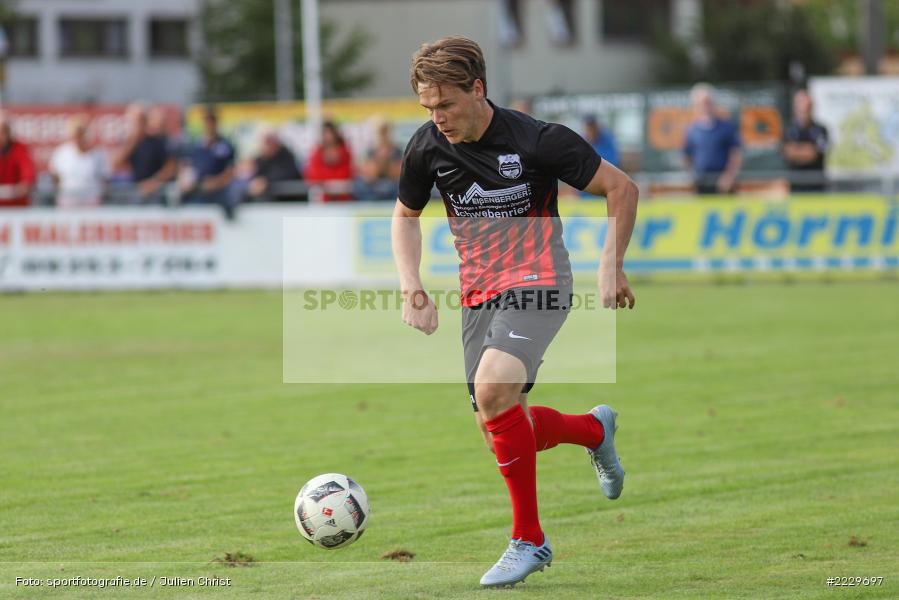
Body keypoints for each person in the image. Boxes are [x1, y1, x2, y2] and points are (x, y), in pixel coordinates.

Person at [392, 36, 638, 588]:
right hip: (479, 293)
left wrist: (611, 265)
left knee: (494, 388)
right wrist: (412, 287)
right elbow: (405, 215)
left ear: (477, 89)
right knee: (498, 424)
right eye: (427, 108)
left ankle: (529, 539)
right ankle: (592, 431)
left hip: (541, 280)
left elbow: (620, 188)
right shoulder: (427, 147)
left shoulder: (537, 140)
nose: (438, 119)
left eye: (446, 105)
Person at [683, 83, 742, 195]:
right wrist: (693, 177)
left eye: (708, 102)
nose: (706, 106)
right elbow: (686, 156)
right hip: (702, 185)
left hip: (724, 185)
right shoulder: (691, 130)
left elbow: (736, 154)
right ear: (696, 105)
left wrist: (729, 176)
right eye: (702, 103)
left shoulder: (726, 127)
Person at [112, 103, 177, 203]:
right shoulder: (131, 143)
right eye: (135, 121)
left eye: (140, 120)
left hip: (156, 191)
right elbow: (116, 164)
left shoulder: (157, 142)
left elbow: (171, 167)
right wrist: (132, 141)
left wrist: (154, 182)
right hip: (136, 191)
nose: (138, 124)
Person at [178, 106, 236, 217]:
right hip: (197, 188)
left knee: (229, 207)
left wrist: (215, 183)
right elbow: (185, 166)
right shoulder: (194, 145)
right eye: (206, 121)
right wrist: (185, 181)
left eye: (211, 121)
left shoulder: (226, 145)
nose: (209, 124)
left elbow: (230, 171)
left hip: (219, 189)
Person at [49, 116, 109, 208]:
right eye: (75, 134)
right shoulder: (61, 152)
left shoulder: (98, 153)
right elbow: (55, 176)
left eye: (81, 133)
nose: (78, 137)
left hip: (91, 199)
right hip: (68, 199)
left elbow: (104, 177)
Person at [783, 89, 829, 193]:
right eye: (799, 105)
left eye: (806, 106)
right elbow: (788, 153)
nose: (803, 109)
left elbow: (813, 154)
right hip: (796, 187)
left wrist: (797, 150)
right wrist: (806, 149)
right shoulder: (788, 129)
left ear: (811, 107)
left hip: (816, 188)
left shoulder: (821, 129)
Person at [246, 130, 304, 202]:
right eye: (265, 142)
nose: (266, 146)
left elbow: (287, 174)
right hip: (272, 201)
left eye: (269, 142)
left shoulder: (287, 156)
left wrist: (266, 181)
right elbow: (256, 178)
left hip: (289, 200)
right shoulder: (261, 160)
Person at [304, 121, 354, 201]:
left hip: (344, 200)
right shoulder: (316, 154)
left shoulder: (346, 153)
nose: (328, 137)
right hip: (323, 201)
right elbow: (311, 176)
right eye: (325, 133)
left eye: (329, 133)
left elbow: (349, 174)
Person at [356, 118, 402, 200]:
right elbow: (369, 172)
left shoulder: (396, 150)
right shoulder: (371, 150)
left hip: (392, 183)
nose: (383, 135)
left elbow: (398, 171)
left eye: (385, 131)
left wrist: (385, 164)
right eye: (380, 131)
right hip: (373, 184)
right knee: (359, 185)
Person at [0, 112, 36, 208]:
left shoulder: (20, 149)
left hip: (17, 208)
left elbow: (27, 170)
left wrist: (26, 182)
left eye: (4, 131)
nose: (2, 135)